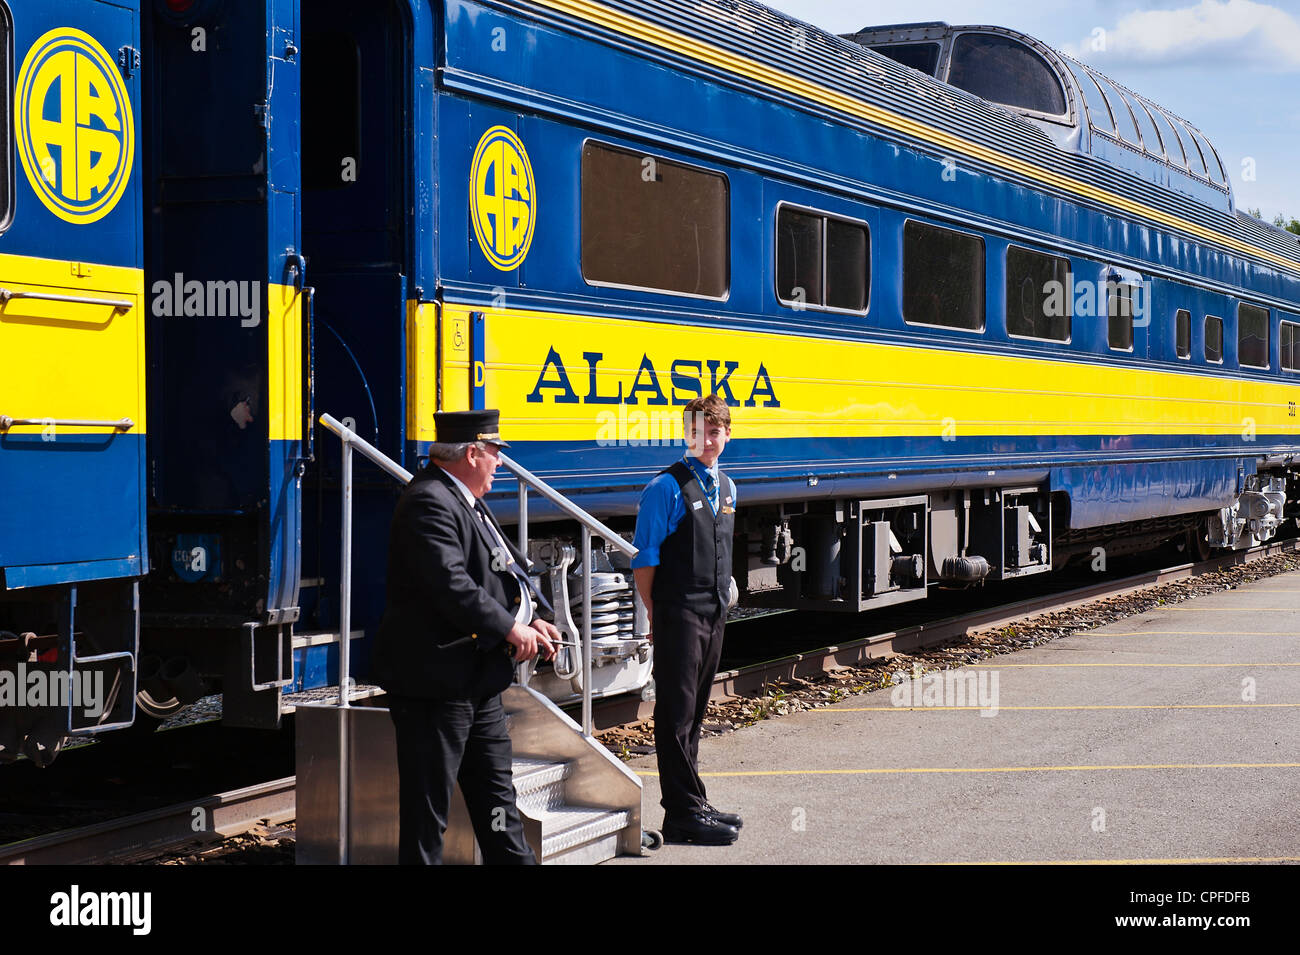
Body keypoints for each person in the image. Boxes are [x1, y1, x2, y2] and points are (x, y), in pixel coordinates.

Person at [372, 409, 559, 865]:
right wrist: (509, 627)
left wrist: (532, 617)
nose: (500, 462)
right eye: (495, 452)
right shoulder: (428, 501)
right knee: (428, 815)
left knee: (498, 804)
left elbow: (506, 569)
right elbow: (451, 586)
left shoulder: (465, 499)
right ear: (472, 452)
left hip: (477, 680)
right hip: (436, 685)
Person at [631, 394, 743, 845]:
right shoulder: (665, 488)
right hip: (679, 612)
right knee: (674, 715)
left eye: (714, 432)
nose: (706, 440)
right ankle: (679, 814)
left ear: (727, 435)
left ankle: (694, 799)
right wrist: (656, 613)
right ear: (686, 434)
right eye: (697, 432)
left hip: (713, 613)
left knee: (695, 713)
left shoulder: (730, 488)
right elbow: (645, 559)